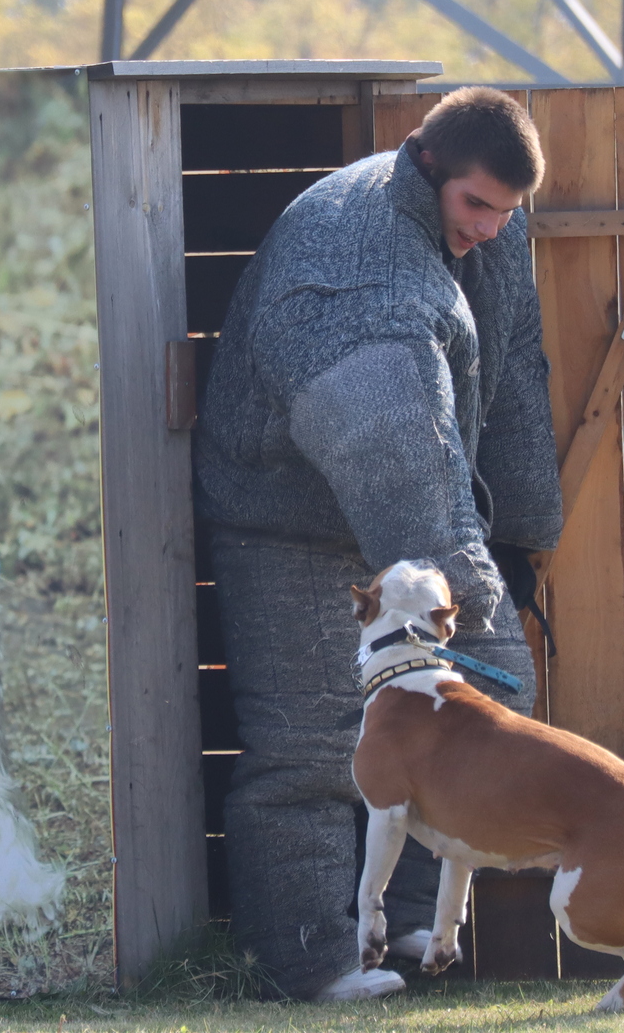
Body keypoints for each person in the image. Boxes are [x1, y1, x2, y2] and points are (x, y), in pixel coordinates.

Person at [193, 86, 563, 1001]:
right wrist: (490, 645)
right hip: (282, 513)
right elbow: (403, 466)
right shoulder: (360, 288)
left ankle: (396, 937)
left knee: (423, 740)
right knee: (314, 750)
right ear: (423, 164)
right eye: (476, 204)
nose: (488, 226)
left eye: (506, 210)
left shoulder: (491, 230)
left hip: (401, 510)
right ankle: (314, 962)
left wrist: (527, 522)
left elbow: (513, 366)